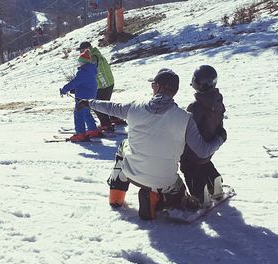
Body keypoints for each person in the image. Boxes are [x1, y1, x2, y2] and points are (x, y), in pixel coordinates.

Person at [76, 68, 227, 220]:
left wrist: (89, 103)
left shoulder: (135, 107)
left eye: (153, 84)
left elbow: (111, 107)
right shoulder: (185, 119)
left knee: (123, 146)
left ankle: (116, 195)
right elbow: (203, 151)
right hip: (165, 181)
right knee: (179, 191)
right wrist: (220, 137)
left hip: (131, 174)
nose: (152, 87)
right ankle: (158, 200)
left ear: (159, 87)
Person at [180, 65, 226, 206]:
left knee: (188, 166)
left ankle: (200, 194)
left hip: (194, 149)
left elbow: (187, 127)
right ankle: (214, 181)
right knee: (204, 163)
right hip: (210, 143)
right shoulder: (217, 101)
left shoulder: (196, 106)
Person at [77, 41, 122, 132]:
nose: (81, 52)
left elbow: (92, 68)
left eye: (81, 50)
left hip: (104, 84)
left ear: (87, 49)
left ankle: (106, 124)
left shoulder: (94, 56)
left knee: (96, 105)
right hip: (106, 83)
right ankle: (114, 118)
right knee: (104, 102)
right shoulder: (94, 54)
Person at [59, 50, 102, 142]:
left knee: (78, 114)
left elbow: (74, 83)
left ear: (83, 62)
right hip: (90, 96)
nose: (79, 64)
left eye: (80, 62)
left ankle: (80, 134)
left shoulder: (83, 72)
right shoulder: (92, 70)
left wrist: (64, 90)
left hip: (82, 97)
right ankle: (93, 130)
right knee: (86, 113)